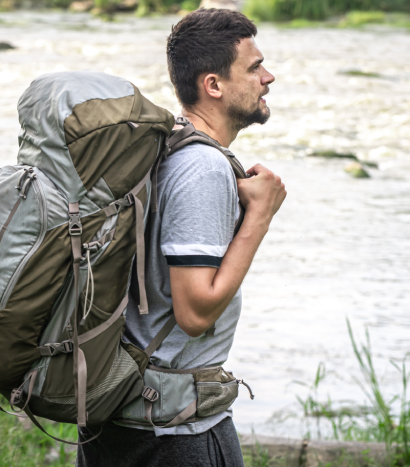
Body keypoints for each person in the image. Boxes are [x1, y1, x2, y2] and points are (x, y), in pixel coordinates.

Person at [77, 8, 286, 467]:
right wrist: (260, 217)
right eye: (254, 67)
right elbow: (194, 312)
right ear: (213, 84)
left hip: (116, 414)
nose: (268, 77)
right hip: (174, 433)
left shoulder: (159, 146)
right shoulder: (204, 168)